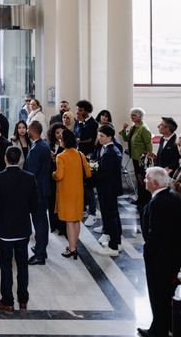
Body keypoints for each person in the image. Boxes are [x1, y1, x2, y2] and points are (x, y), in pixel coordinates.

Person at [0, 147, 35, 312]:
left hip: (4, 230)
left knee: (6, 267)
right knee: (22, 266)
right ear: (20, 159)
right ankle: (23, 300)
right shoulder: (29, 178)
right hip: (22, 229)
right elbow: (35, 205)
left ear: (5, 158)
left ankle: (7, 301)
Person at [137, 167, 181, 337]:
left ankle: (158, 329)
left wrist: (148, 250)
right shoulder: (174, 196)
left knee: (157, 294)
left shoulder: (157, 202)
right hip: (171, 255)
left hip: (158, 257)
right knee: (166, 293)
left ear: (155, 183)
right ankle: (167, 324)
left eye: (147, 178)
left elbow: (154, 232)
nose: (145, 181)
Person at [53, 129, 91, 260]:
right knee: (76, 220)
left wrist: (53, 174)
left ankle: (72, 248)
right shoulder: (80, 154)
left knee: (69, 222)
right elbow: (89, 173)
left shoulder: (61, 156)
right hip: (78, 192)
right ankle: (74, 246)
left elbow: (59, 175)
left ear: (63, 141)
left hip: (66, 192)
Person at [92, 124, 123, 257]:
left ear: (110, 137)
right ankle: (117, 242)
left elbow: (105, 173)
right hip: (108, 187)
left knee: (110, 216)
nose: (99, 138)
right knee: (112, 215)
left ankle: (114, 246)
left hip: (108, 188)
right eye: (99, 135)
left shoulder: (110, 152)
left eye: (102, 136)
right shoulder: (107, 149)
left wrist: (92, 175)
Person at [24, 121, 51, 265]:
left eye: (28, 128)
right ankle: (41, 249)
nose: (27, 131)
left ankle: (40, 255)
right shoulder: (43, 145)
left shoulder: (36, 148)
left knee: (39, 222)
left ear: (33, 130)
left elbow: (31, 173)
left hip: (38, 190)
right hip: (43, 187)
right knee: (41, 221)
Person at [120, 107, 153, 211]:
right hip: (135, 157)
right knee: (138, 179)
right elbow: (126, 138)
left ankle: (144, 199)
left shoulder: (144, 128)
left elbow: (149, 144)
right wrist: (124, 129)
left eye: (134, 115)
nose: (131, 117)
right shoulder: (135, 127)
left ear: (140, 116)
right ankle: (140, 198)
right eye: (131, 115)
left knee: (142, 178)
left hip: (141, 159)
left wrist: (149, 156)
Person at [74, 100, 99, 226]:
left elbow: (88, 139)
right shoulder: (78, 122)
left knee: (89, 187)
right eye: (77, 109)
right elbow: (76, 136)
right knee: (81, 185)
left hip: (89, 158)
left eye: (79, 110)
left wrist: (78, 140)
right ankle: (83, 208)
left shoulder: (92, 124)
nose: (77, 112)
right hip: (78, 156)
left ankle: (92, 213)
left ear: (86, 111)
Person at [47, 123, 67, 236]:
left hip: (63, 177)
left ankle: (62, 227)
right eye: (57, 133)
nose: (59, 135)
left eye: (61, 133)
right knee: (52, 202)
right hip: (52, 177)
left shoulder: (66, 146)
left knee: (62, 203)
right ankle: (53, 225)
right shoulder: (49, 145)